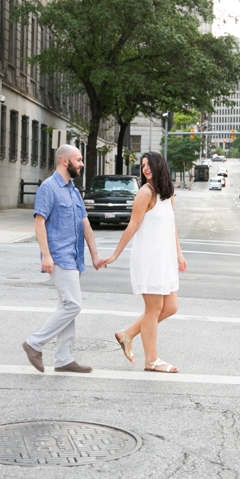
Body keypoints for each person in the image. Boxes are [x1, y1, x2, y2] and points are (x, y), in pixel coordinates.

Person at [21, 144, 104, 374]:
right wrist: (46, 255)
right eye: (78, 159)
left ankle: (64, 358)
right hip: (59, 256)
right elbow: (39, 222)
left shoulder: (73, 190)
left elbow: (84, 223)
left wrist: (94, 254)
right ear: (65, 161)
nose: (82, 163)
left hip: (74, 257)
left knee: (67, 305)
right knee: (73, 304)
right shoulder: (48, 188)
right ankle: (34, 343)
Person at [102, 151, 186, 373]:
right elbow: (132, 226)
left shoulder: (168, 193)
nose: (145, 168)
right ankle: (152, 360)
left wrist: (179, 254)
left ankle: (127, 334)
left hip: (165, 257)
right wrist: (115, 254)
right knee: (154, 308)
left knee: (171, 307)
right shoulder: (145, 192)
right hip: (149, 257)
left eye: (148, 164)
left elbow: (172, 225)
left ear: (159, 166)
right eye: (143, 165)